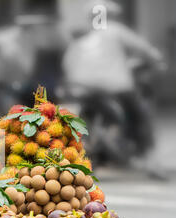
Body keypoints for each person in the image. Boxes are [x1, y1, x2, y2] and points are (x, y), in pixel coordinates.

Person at [62, 0, 165, 173]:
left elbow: (67, 63)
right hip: (114, 86)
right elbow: (145, 50)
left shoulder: (81, 38)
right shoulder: (115, 30)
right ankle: (151, 161)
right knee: (139, 117)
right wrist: (156, 60)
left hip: (79, 86)